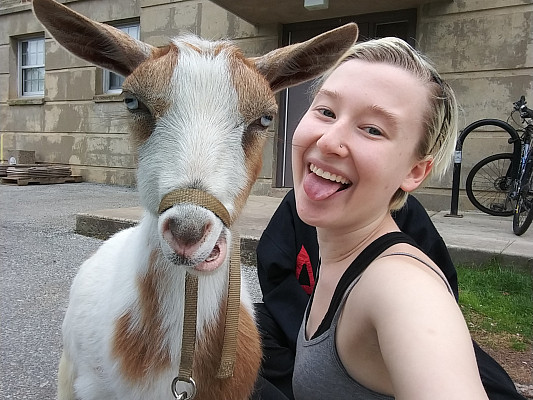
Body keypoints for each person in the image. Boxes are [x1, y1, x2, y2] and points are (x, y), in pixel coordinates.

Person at [253, 36, 526, 400]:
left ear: (415, 171)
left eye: (372, 129)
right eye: (326, 112)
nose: (329, 140)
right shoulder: (336, 255)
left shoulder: (403, 289)